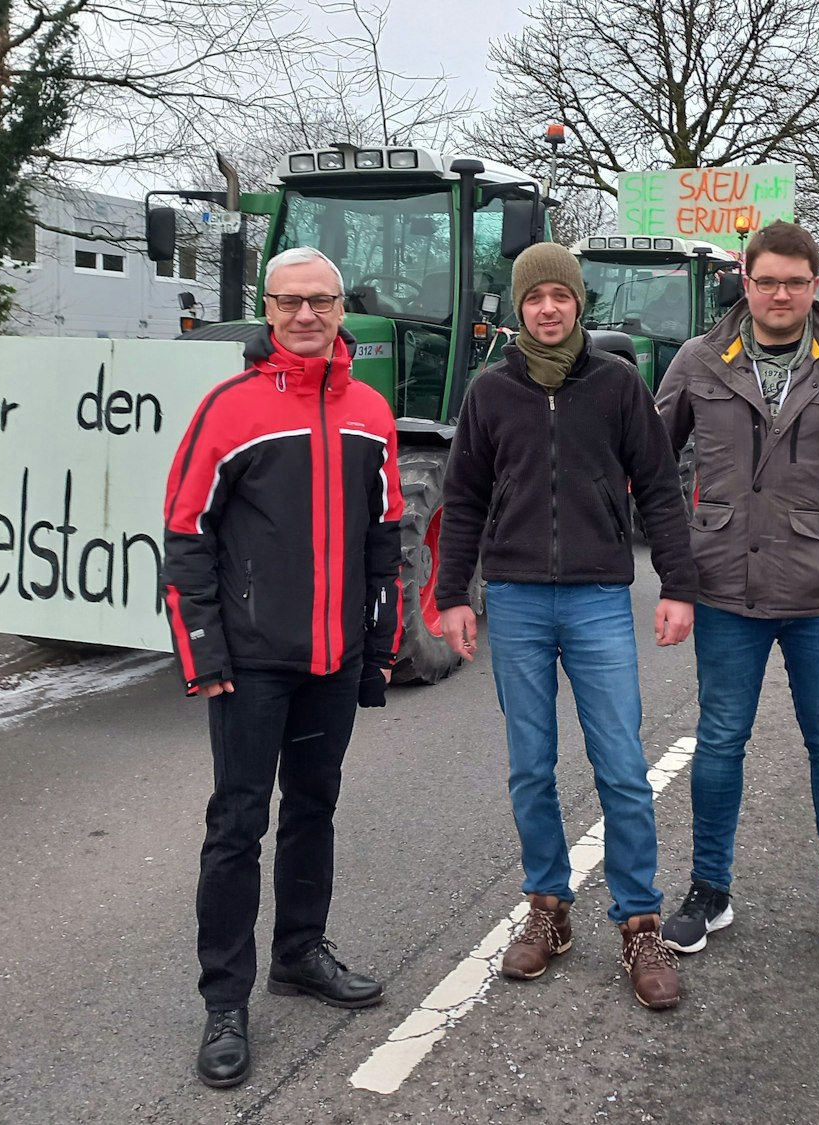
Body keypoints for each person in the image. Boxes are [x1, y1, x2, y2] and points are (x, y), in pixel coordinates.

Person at [161, 246, 402, 1089]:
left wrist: (379, 647)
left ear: (341, 309)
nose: (305, 315)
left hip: (332, 660)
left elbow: (384, 538)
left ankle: (299, 952)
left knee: (313, 807)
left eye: (321, 301)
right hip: (251, 663)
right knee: (237, 826)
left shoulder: (371, 411)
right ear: (267, 309)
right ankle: (224, 1002)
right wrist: (202, 650)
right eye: (290, 301)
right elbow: (185, 533)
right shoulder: (228, 409)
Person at [435, 243, 699, 1010]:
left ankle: (640, 921)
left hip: (597, 598)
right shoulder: (489, 392)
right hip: (516, 597)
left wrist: (678, 585)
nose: (547, 308)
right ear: (519, 307)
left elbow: (659, 487)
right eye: (534, 297)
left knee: (621, 764)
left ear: (579, 302)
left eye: (560, 295)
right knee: (531, 765)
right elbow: (463, 498)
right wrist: (453, 594)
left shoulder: (617, 385)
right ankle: (548, 908)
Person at [654, 221, 819, 972]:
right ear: (745, 281)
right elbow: (648, 460)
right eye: (767, 280)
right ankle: (709, 890)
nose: (780, 294)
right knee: (719, 741)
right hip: (725, 588)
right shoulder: (698, 360)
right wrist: (678, 559)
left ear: (814, 286)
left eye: (795, 283)